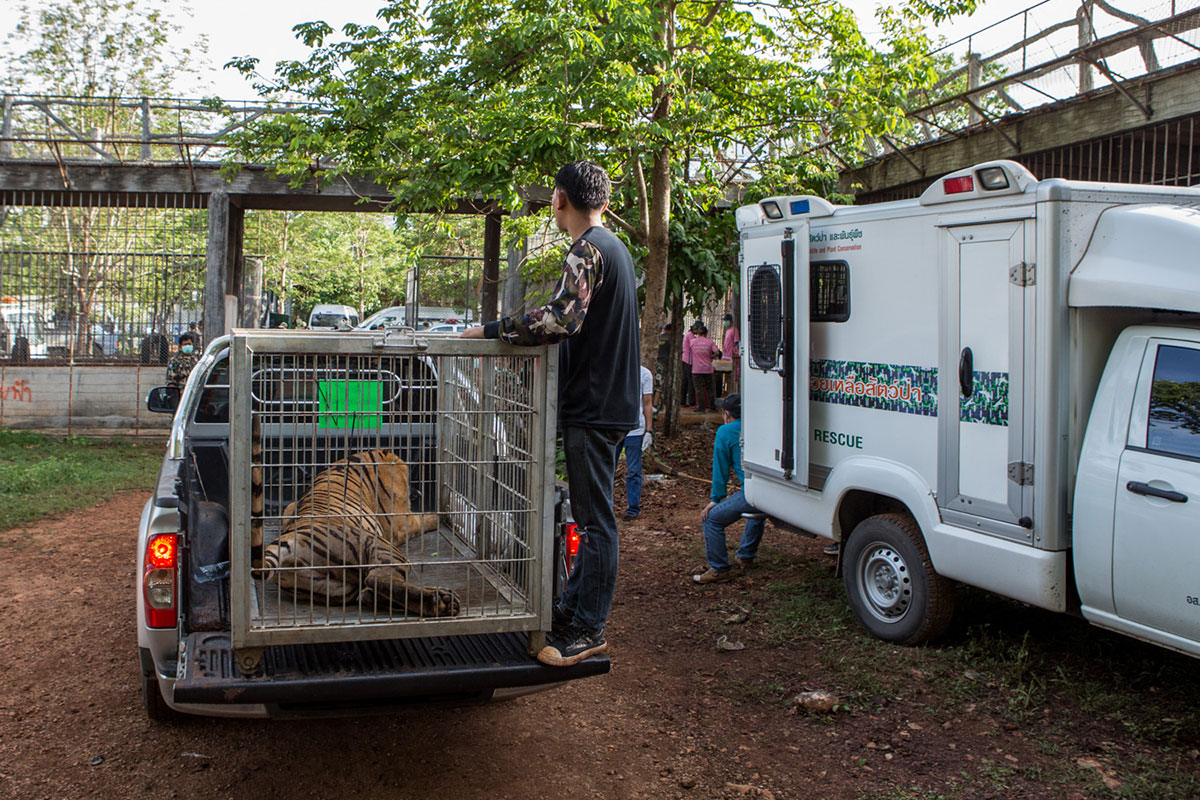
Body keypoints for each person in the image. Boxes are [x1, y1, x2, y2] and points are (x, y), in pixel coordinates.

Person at [461, 161, 639, 667]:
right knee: (591, 514)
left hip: (595, 405)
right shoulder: (615, 248)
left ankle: (588, 628)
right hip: (607, 402)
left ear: (560, 198)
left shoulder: (587, 249)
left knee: (596, 521)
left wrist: (491, 330)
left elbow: (562, 319)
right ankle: (572, 608)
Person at [693, 394, 765, 584]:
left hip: (753, 490)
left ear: (726, 414)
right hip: (774, 489)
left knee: (712, 519)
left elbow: (720, 469)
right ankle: (746, 555)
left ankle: (719, 568)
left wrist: (716, 499)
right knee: (758, 509)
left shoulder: (725, 431)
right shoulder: (760, 425)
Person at [621, 364, 655, 521]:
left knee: (634, 470)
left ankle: (633, 507)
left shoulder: (644, 374)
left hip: (635, 429)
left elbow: (647, 403)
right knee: (607, 468)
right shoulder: (614, 369)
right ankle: (605, 506)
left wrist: (649, 430)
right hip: (613, 427)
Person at [687, 324, 721, 412]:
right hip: (708, 369)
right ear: (706, 333)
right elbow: (717, 352)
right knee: (710, 388)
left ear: (698, 333)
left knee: (699, 389)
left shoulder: (693, 342)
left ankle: (701, 408)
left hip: (696, 369)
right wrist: (711, 356)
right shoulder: (710, 342)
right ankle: (712, 407)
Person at [720, 313, 740, 396]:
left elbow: (736, 342)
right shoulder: (727, 331)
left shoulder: (734, 330)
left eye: (726, 321)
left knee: (733, 377)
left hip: (731, 356)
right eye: (724, 321)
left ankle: (733, 394)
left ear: (731, 321)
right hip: (725, 356)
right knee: (726, 376)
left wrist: (734, 351)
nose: (725, 322)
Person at [681, 321, 700, 407]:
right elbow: (695, 346)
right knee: (690, 381)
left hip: (685, 359)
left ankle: (683, 400)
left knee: (685, 380)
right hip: (688, 361)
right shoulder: (690, 336)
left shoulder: (689, 335)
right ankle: (691, 401)